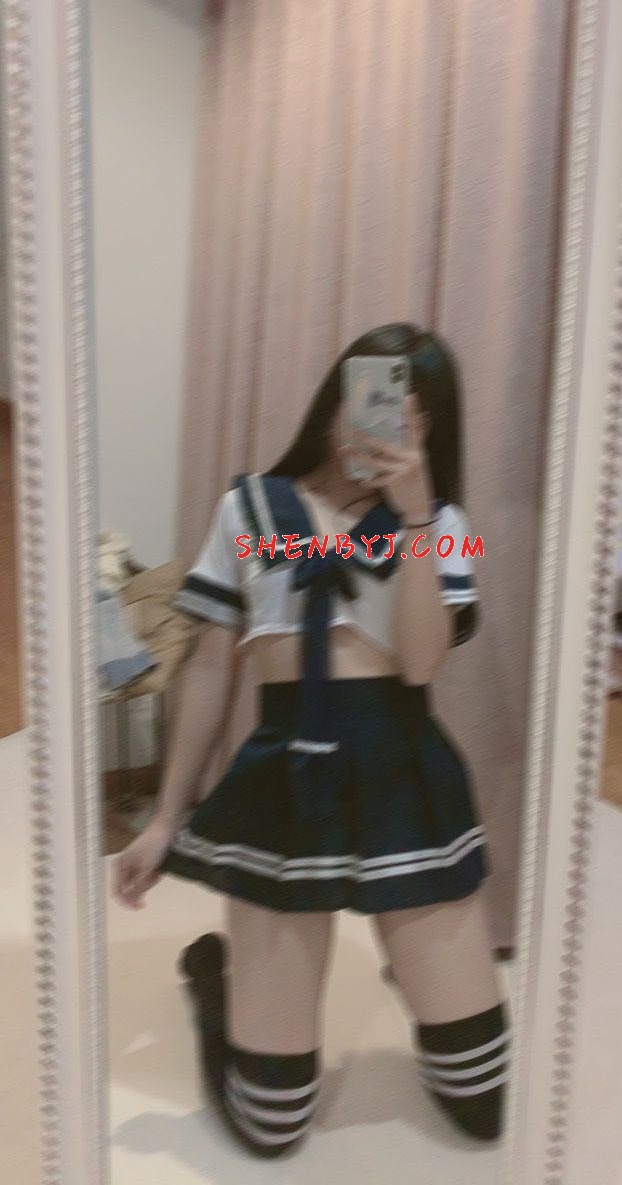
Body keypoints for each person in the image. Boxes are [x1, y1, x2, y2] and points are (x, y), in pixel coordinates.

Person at [113, 323, 509, 1156]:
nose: (385, 424)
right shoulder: (252, 509)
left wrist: (413, 518)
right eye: (371, 398)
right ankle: (216, 983)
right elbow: (212, 672)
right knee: (273, 1125)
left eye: (413, 414)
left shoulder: (444, 524)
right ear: (336, 397)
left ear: (433, 429)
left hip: (407, 773)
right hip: (284, 776)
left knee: (482, 1098)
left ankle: (403, 970)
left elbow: (423, 666)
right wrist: (164, 818)